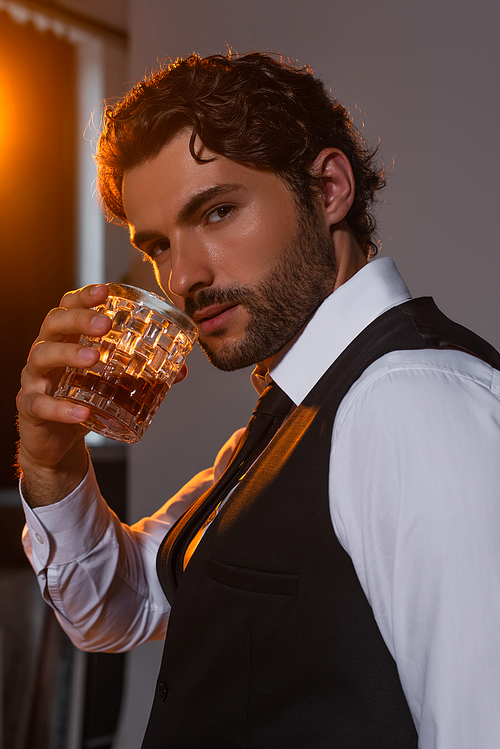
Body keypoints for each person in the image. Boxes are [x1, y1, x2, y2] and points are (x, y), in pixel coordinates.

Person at [16, 52, 500, 748]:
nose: (183, 276)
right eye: (158, 246)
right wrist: (54, 466)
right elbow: (118, 609)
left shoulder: (410, 402)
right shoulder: (290, 415)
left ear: (329, 188)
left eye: (216, 211)